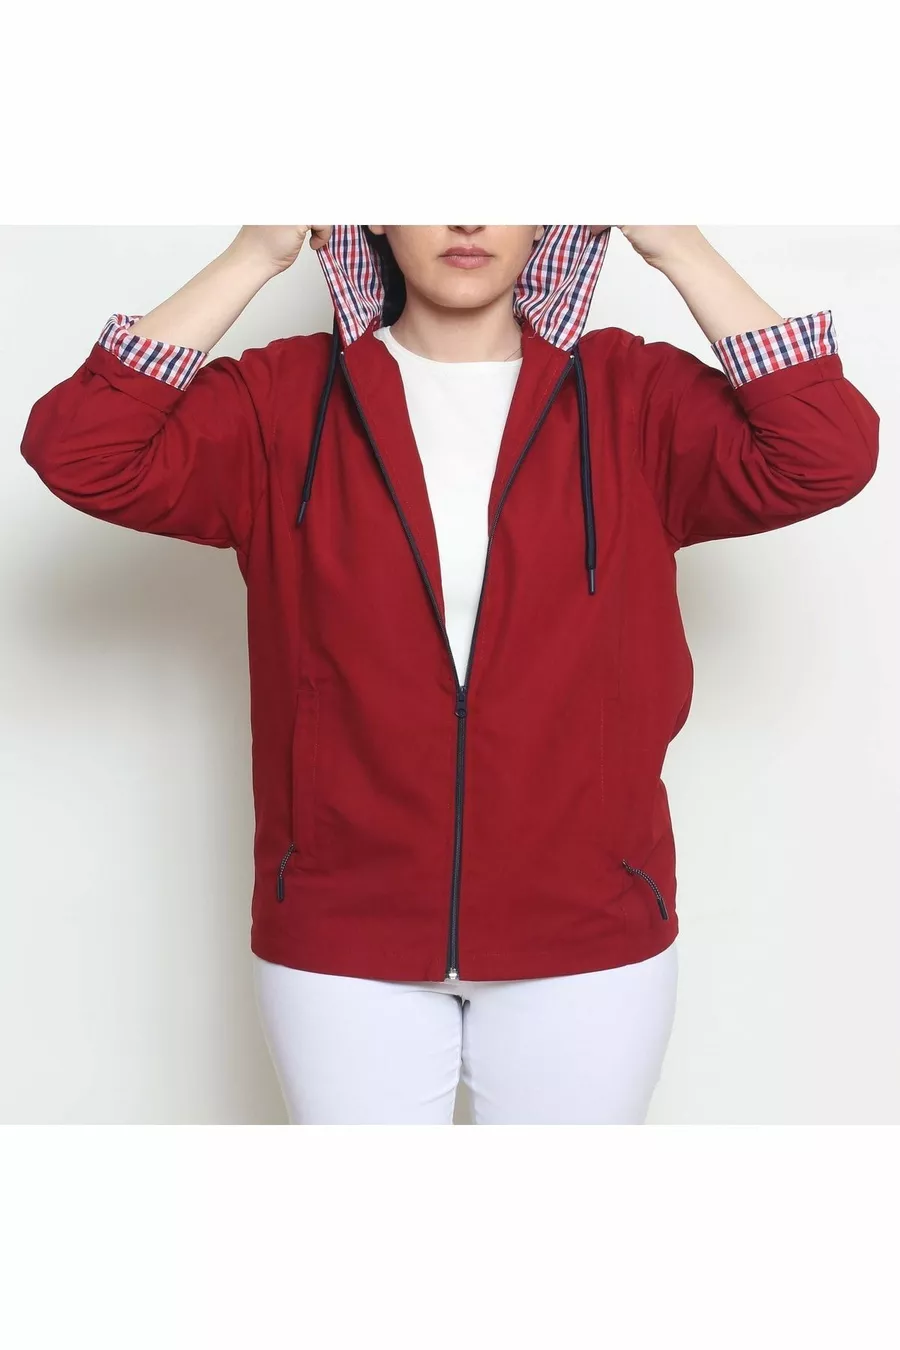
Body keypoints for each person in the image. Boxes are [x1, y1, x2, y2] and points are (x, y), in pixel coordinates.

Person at [20, 225, 879, 1125]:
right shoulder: (284, 398)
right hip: (343, 937)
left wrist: (675, 245)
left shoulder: (633, 395)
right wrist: (256, 253)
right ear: (375, 213)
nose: (467, 218)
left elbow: (827, 448)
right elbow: (81, 448)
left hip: (587, 937)